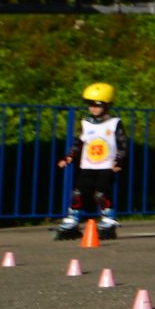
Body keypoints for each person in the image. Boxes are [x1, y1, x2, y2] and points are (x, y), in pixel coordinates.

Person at [56, 82, 125, 240]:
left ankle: (108, 219)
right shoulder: (86, 123)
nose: (93, 108)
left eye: (98, 105)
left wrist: (119, 161)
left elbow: (122, 144)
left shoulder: (114, 123)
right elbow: (78, 142)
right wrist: (69, 156)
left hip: (106, 165)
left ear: (107, 105)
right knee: (78, 192)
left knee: (101, 193)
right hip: (87, 165)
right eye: (90, 104)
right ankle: (72, 219)